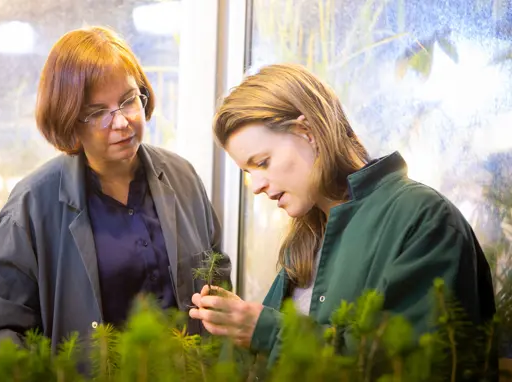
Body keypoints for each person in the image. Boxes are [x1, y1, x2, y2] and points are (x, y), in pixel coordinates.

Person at [189, 63, 495, 368]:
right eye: (247, 172)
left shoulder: (423, 219)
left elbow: (406, 365)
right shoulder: (308, 237)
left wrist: (265, 331)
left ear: (306, 132)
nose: (256, 186)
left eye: (264, 162)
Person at [0, 26, 230, 355]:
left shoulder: (183, 178)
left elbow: (216, 277)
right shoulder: (32, 206)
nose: (121, 122)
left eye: (128, 101)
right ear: (68, 120)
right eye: (97, 113)